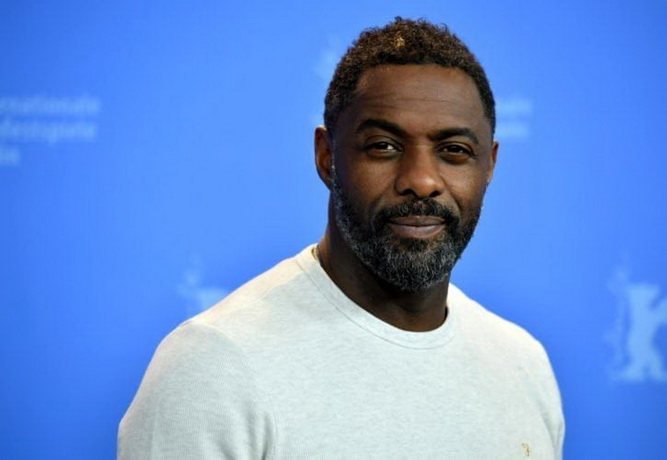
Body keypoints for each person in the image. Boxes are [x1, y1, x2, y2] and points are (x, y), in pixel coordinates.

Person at [118, 17, 565, 459]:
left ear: (489, 166)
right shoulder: (214, 367)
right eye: (383, 146)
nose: (422, 180)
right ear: (326, 157)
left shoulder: (523, 365)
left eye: (454, 151)